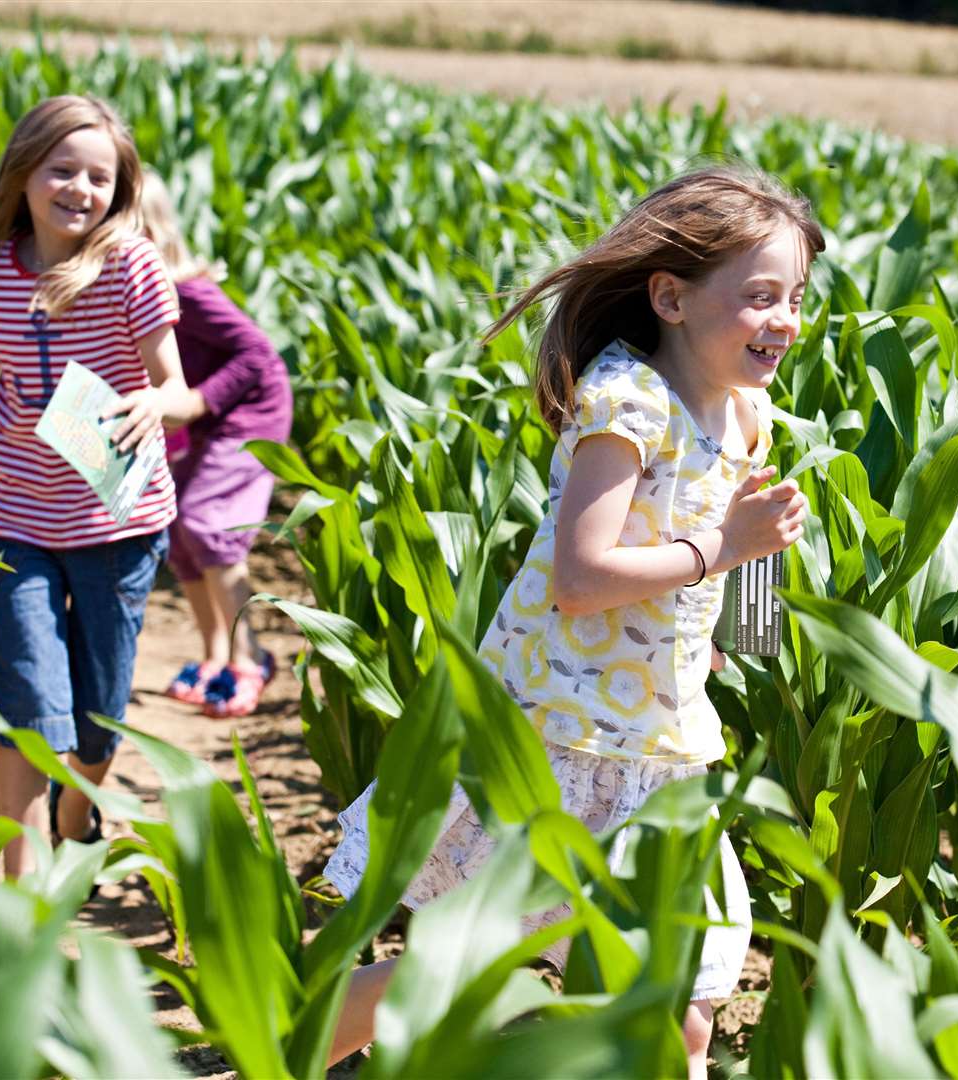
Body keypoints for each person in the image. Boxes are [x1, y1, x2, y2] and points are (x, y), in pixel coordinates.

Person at [322, 165, 821, 1078]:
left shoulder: (749, 415)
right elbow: (581, 577)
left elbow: (721, 551)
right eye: (759, 298)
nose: (784, 319)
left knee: (680, 1019)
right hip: (558, 742)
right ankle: (272, 1049)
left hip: (660, 746)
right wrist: (723, 549)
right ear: (669, 297)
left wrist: (718, 629)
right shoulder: (627, 403)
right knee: (458, 971)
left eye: (794, 297)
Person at [0, 96, 202, 878]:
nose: (80, 188)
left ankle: (78, 803)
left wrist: (149, 402)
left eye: (99, 176)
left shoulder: (130, 265)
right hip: (19, 521)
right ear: (23, 174)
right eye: (62, 169)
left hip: (117, 522)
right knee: (25, 703)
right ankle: (19, 890)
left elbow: (181, 390)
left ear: (119, 188)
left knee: (97, 715)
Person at [139, 173, 293, 719]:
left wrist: (198, 403)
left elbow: (256, 353)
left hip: (249, 414)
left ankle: (249, 658)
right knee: (178, 531)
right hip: (201, 417)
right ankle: (214, 655)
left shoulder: (186, 290)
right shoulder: (126, 293)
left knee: (209, 523)